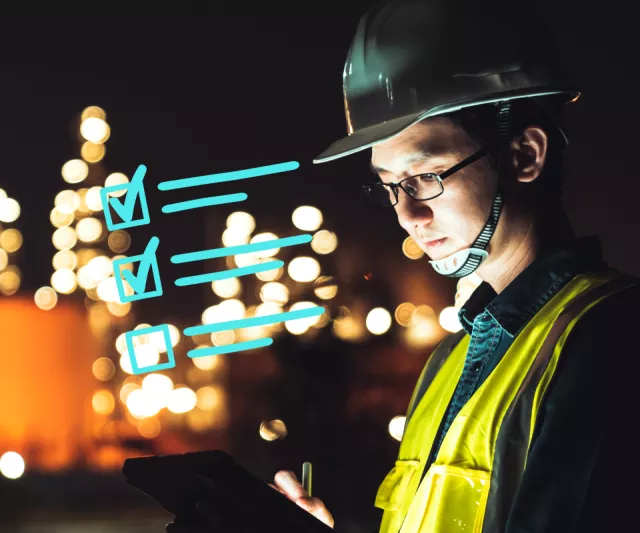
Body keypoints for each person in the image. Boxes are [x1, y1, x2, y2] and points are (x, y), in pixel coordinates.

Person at [166, 0, 637, 531]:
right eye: (390, 187)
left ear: (525, 154)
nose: (407, 214)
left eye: (426, 176)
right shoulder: (449, 361)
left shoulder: (611, 343)